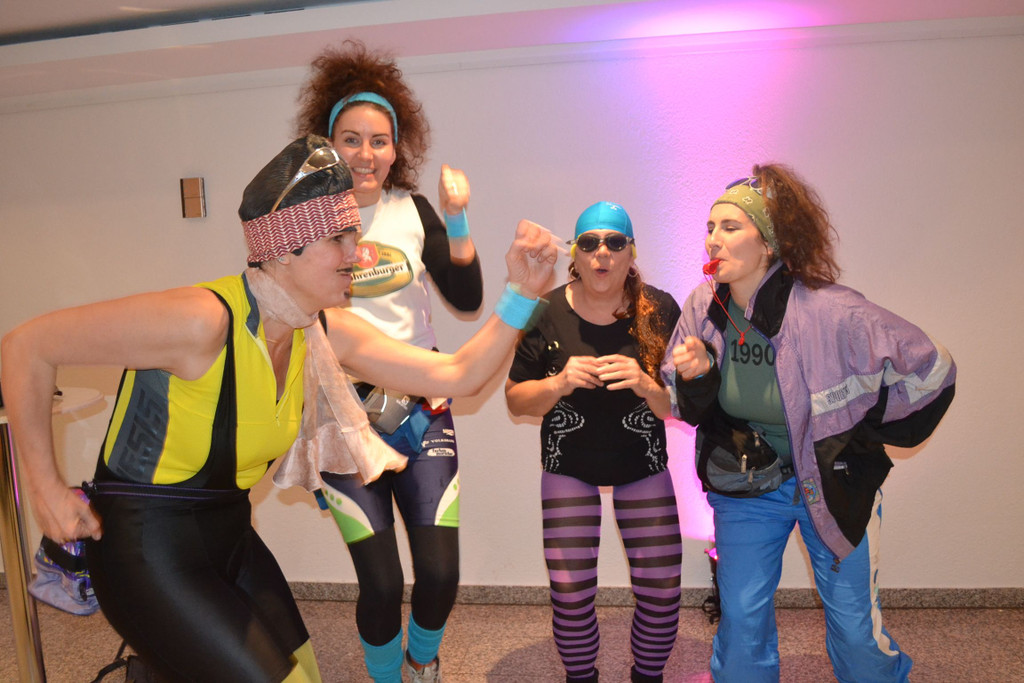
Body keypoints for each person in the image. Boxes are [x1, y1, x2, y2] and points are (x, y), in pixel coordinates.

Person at [0, 134, 558, 682]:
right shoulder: (202, 320)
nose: (356, 253)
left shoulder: (320, 330)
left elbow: (457, 375)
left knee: (303, 675)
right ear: (286, 248)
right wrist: (44, 487)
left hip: (229, 535)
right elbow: (27, 346)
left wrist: (523, 292)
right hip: (147, 549)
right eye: (339, 239)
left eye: (355, 235)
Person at [663, 165, 956, 682]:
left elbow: (933, 368)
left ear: (769, 242)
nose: (713, 239)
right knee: (741, 623)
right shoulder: (703, 306)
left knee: (855, 631)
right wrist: (698, 375)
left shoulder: (831, 309)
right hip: (748, 484)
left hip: (832, 482)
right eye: (710, 227)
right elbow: (683, 401)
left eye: (730, 227)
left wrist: (858, 431)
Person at [293, 41, 482, 683]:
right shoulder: (302, 221)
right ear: (328, 145)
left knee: (440, 573)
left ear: (397, 148)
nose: (365, 154)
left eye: (379, 141)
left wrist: (456, 220)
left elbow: (466, 298)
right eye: (351, 140)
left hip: (422, 410)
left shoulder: (411, 211)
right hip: (341, 419)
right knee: (380, 582)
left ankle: (421, 663)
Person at [506, 202, 683, 683]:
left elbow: (682, 407)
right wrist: (558, 383)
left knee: (662, 591)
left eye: (614, 242)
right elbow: (516, 400)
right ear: (575, 254)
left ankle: (648, 676)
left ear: (631, 252)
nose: (601, 253)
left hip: (642, 465)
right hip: (569, 467)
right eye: (589, 243)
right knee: (570, 593)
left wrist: (647, 385)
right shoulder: (545, 311)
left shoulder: (660, 310)